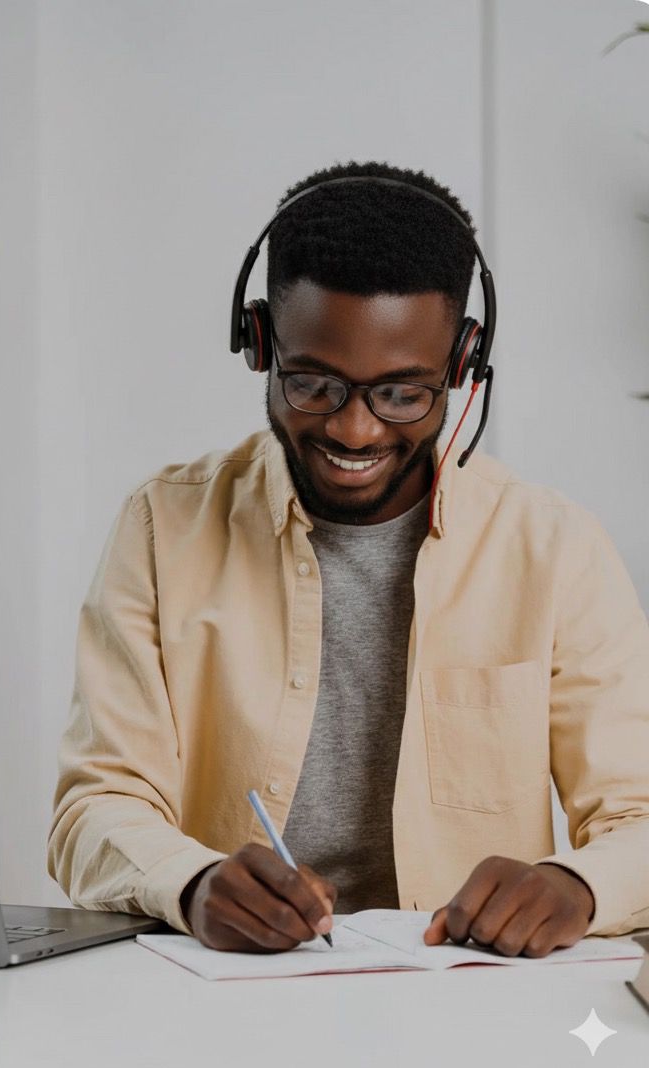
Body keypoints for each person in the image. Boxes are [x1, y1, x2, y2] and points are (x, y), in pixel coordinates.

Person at [48, 159, 649, 957]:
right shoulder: (164, 526)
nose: (354, 431)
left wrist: (577, 885)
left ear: (463, 365)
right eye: (315, 385)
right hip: (229, 993)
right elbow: (94, 807)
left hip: (467, 1000)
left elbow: (639, 813)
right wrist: (191, 882)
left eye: (402, 393)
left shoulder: (554, 548)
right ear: (259, 344)